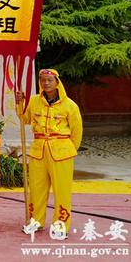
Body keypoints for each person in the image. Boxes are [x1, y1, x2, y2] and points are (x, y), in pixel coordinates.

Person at [17, 69, 83, 237]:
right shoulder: (33, 101)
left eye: (49, 80)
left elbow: (77, 132)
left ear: (57, 82)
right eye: (43, 80)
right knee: (37, 189)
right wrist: (20, 103)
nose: (46, 83)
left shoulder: (70, 105)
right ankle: (35, 221)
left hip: (61, 152)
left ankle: (60, 225)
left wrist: (69, 149)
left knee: (62, 191)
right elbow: (24, 119)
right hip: (38, 150)